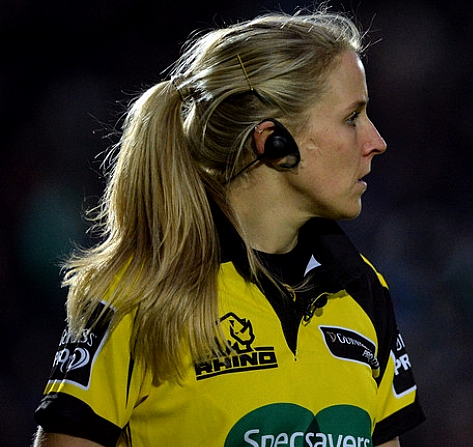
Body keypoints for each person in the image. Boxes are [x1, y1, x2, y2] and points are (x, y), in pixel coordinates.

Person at [32, 7, 424, 447]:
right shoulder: (140, 292)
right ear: (273, 141)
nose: (376, 142)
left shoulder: (365, 291)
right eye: (352, 118)